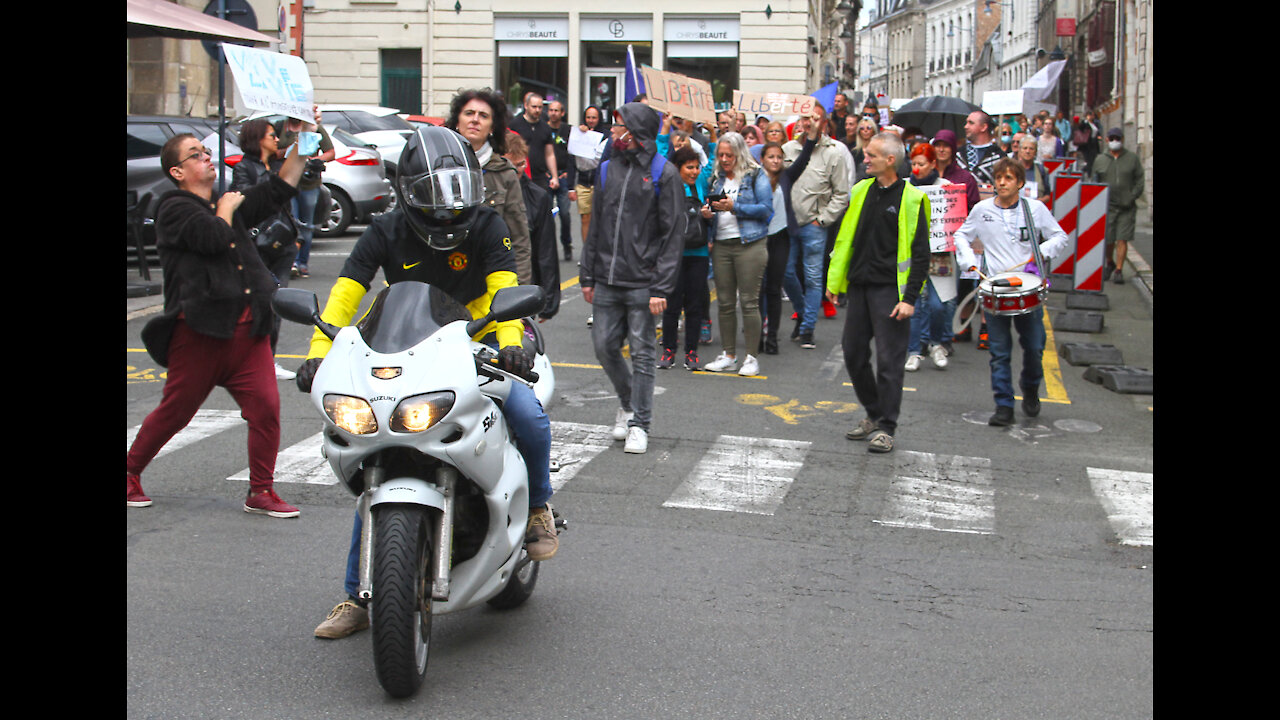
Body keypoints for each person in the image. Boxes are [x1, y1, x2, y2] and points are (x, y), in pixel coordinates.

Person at [302, 124, 559, 639]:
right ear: (407, 191)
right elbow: (347, 293)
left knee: (528, 412)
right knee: (382, 457)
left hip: (479, 336)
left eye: (457, 193)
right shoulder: (385, 229)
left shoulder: (487, 224)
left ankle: (538, 506)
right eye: (432, 196)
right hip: (405, 343)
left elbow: (504, 287)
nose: (447, 209)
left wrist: (511, 342)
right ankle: (357, 594)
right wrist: (317, 352)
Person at [126, 129, 313, 515]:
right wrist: (226, 209)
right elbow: (212, 238)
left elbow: (282, 185)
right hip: (201, 332)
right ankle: (129, 472)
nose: (207, 158)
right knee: (176, 411)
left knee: (266, 409)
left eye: (205, 151)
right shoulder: (173, 209)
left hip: (249, 332)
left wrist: (303, 136)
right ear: (177, 171)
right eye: (195, 155)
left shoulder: (224, 202)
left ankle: (261, 491)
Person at [579, 101, 684, 455]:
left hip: (643, 281)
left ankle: (640, 423)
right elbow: (595, 227)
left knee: (642, 353)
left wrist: (661, 286)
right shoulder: (607, 170)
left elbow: (672, 235)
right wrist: (587, 275)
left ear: (636, 132)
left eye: (618, 125)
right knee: (604, 346)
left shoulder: (663, 173)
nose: (612, 131)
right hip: (607, 278)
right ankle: (627, 403)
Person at [825, 132, 931, 454]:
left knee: (889, 362)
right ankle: (873, 412)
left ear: (890, 160)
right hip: (859, 285)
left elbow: (921, 254)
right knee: (853, 353)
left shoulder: (912, 199)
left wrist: (909, 298)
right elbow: (845, 240)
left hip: (890, 291)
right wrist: (835, 283)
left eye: (870, 155)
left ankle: (887, 426)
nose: (864, 159)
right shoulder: (860, 191)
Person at [952, 158, 1069, 427]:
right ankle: (1003, 404)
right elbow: (961, 236)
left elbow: (1059, 237)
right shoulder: (981, 210)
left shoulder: (1034, 209)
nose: (1001, 182)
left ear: (1019, 183)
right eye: (998, 177)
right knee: (999, 351)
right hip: (995, 288)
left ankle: (1030, 387)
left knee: (1035, 346)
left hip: (1027, 287)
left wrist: (1038, 254)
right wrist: (968, 260)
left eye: (1008, 178)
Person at [699, 132, 774, 376]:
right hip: (722, 243)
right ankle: (729, 355)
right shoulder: (717, 178)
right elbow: (714, 207)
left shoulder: (755, 174)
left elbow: (766, 210)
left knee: (749, 302)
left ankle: (751, 357)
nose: (724, 159)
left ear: (740, 153)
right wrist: (709, 213)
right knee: (725, 302)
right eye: (721, 155)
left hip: (750, 243)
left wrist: (735, 207)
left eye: (729, 155)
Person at [445, 88, 534, 285]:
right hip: (440, 283)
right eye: (469, 113)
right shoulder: (435, 166)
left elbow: (519, 242)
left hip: (486, 285)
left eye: (483, 116)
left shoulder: (504, 174)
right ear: (457, 121)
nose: (475, 120)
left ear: (492, 126)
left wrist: (519, 300)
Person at [230, 118, 297, 381]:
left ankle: (268, 359)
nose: (276, 139)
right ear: (258, 138)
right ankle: (249, 358)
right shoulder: (245, 167)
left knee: (278, 300)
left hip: (283, 240)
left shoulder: (279, 165)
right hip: (258, 242)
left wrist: (295, 232)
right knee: (258, 300)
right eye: (271, 135)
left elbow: (288, 197)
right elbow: (245, 200)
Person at [781, 104, 852, 349]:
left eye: (815, 118)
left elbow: (842, 194)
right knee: (786, 272)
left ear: (824, 122)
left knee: (812, 277)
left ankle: (808, 328)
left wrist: (822, 219)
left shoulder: (834, 153)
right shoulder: (788, 149)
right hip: (788, 224)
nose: (809, 122)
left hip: (814, 224)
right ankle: (803, 313)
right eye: (805, 117)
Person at [657, 145, 711, 372]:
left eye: (697, 167)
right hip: (674, 254)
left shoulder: (702, 183)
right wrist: (666, 129)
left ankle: (692, 351)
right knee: (671, 305)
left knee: (695, 305)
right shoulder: (669, 185)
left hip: (698, 253)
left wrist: (708, 216)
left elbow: (715, 157)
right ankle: (669, 350)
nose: (695, 172)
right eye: (689, 167)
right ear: (677, 168)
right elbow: (660, 155)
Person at [903, 142, 956, 372]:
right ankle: (914, 351)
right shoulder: (904, 187)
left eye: (921, 164)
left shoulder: (946, 187)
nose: (916, 168)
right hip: (912, 254)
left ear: (932, 164)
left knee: (937, 305)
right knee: (912, 304)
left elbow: (954, 218)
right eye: (913, 163)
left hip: (939, 255)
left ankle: (936, 344)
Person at [504, 133, 561, 320]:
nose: (519, 171)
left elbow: (546, 252)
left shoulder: (538, 197)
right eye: (513, 165)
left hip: (522, 284)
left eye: (522, 164)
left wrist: (548, 303)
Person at [276, 105, 335, 280]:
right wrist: (289, 153)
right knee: (291, 221)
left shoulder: (314, 128)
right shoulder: (281, 128)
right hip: (288, 183)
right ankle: (291, 262)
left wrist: (314, 160)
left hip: (310, 183)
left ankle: (303, 263)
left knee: (307, 225)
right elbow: (273, 151)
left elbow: (330, 152)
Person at [1091, 127, 1145, 285]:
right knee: (1109, 238)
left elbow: (1139, 179)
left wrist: (1132, 195)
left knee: (1122, 238)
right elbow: (1095, 180)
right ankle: (1110, 262)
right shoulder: (1101, 159)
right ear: (1107, 139)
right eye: (1112, 138)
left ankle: (1119, 270)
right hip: (1107, 206)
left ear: (1122, 139)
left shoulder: (1132, 159)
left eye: (1118, 138)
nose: (1115, 141)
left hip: (1126, 207)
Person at [543, 100, 576, 261]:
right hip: (546, 177)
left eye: (557, 110)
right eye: (551, 110)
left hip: (563, 176)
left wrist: (569, 176)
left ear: (562, 113)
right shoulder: (543, 129)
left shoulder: (568, 130)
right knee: (547, 215)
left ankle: (567, 244)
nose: (553, 113)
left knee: (564, 213)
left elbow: (573, 155)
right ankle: (548, 248)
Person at [573, 105, 607, 256]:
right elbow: (572, 158)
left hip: (599, 181)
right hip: (583, 181)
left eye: (594, 117)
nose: (591, 120)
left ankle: (599, 250)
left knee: (599, 218)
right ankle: (587, 252)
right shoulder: (578, 133)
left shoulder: (606, 135)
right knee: (585, 217)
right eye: (588, 117)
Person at [960, 111, 1008, 186]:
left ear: (983, 127)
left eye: (971, 123)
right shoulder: (958, 155)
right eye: (966, 123)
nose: (966, 126)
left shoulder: (999, 157)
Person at [1015, 135, 1053, 206]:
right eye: (1025, 148)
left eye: (1031, 149)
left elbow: (1047, 195)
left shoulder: (1042, 170)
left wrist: (1038, 202)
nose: (1027, 151)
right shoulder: (1012, 169)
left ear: (1035, 151)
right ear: (1020, 151)